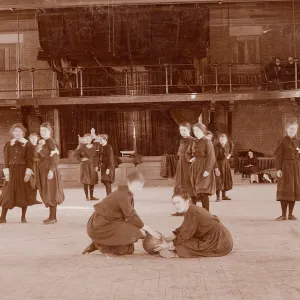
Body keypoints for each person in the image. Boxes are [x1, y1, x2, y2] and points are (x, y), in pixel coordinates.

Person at [82, 172, 160, 256]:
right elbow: (131, 217)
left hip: (104, 223)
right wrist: (148, 229)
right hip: (100, 226)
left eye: (141, 186)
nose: (138, 189)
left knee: (128, 249)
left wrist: (142, 226)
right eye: (136, 186)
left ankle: (102, 243)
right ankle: (99, 244)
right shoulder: (123, 193)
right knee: (136, 234)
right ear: (129, 183)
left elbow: (130, 212)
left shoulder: (124, 189)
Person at [154, 188, 233, 258]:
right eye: (174, 203)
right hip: (219, 239)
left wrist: (167, 245)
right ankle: (175, 251)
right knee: (180, 242)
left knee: (182, 244)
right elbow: (182, 229)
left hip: (219, 242)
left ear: (187, 201)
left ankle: (175, 254)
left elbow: (185, 234)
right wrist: (166, 239)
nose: (176, 206)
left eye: (178, 202)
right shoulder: (190, 209)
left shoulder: (192, 211)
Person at [0, 123, 36, 223]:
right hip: (11, 171)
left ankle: (23, 217)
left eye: (20, 131)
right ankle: (2, 217)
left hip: (22, 171)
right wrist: (6, 173)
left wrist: (28, 173)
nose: (17, 133)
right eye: (16, 131)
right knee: (7, 193)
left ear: (23, 133)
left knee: (23, 193)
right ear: (13, 132)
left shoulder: (28, 144)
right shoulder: (8, 144)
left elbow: (30, 160)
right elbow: (6, 159)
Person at [37, 122, 65, 224]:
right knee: (48, 192)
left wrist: (51, 170)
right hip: (43, 170)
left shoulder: (51, 142)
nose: (42, 132)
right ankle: (52, 217)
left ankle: (52, 218)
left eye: (45, 130)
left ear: (50, 131)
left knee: (51, 192)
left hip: (49, 170)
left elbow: (55, 157)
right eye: (41, 130)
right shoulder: (42, 142)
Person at [186, 122, 216, 211]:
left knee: (203, 190)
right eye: (194, 130)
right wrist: (190, 159)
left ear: (203, 130)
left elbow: (211, 157)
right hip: (194, 168)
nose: (196, 132)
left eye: (197, 130)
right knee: (196, 191)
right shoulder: (193, 141)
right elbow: (187, 153)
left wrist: (207, 170)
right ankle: (197, 212)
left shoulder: (207, 141)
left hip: (204, 167)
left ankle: (207, 213)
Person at [274, 121, 300, 221]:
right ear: (287, 129)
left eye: (295, 129)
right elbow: (278, 157)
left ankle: (291, 214)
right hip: (285, 168)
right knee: (284, 189)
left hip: (296, 169)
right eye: (291, 129)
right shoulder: (282, 141)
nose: (293, 131)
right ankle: (283, 214)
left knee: (293, 190)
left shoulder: (298, 142)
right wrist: (278, 169)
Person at [172, 122, 196, 216]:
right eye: (181, 130)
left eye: (185, 130)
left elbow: (196, 153)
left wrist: (193, 159)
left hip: (189, 166)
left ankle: (192, 210)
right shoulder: (182, 141)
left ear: (189, 130)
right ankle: (181, 210)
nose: (183, 132)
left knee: (189, 185)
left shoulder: (193, 140)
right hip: (181, 165)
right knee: (179, 185)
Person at [74, 133, 99, 201]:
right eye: (86, 138)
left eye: (89, 138)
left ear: (91, 139)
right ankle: (87, 197)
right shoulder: (81, 146)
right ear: (84, 139)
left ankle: (91, 196)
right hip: (85, 166)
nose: (88, 140)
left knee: (92, 180)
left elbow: (96, 157)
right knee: (85, 181)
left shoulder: (94, 146)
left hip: (93, 165)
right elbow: (75, 155)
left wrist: (96, 166)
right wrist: (81, 159)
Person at [214, 134, 233, 202]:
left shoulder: (228, 144)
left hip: (225, 164)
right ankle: (218, 197)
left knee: (225, 179)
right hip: (219, 164)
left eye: (224, 140)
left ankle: (224, 196)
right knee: (219, 180)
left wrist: (229, 155)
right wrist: (216, 168)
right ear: (219, 140)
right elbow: (214, 159)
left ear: (226, 140)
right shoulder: (216, 146)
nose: (222, 141)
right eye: (221, 140)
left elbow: (231, 148)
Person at [29, 133, 43, 205]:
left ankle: (35, 199)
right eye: (32, 138)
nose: (34, 139)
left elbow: (42, 156)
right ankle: (31, 199)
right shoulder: (28, 147)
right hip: (30, 166)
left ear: (37, 139)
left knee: (37, 182)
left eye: (35, 138)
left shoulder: (39, 147)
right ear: (29, 139)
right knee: (31, 182)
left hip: (38, 167)